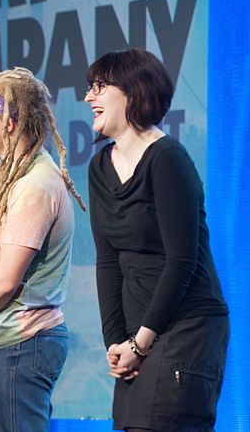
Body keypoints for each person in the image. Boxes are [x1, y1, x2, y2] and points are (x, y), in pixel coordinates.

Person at [84, 48, 229, 432]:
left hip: (186, 327)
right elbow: (108, 261)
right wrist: (116, 343)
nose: (88, 98)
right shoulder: (99, 167)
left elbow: (182, 262)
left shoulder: (168, 160)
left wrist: (139, 344)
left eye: (99, 87)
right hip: (136, 336)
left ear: (132, 92)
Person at [0, 67, 85, 431]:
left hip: (24, 345)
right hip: (12, 344)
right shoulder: (19, 177)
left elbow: (7, 279)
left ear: (9, 121)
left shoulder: (35, 185)